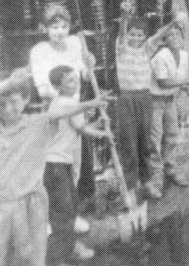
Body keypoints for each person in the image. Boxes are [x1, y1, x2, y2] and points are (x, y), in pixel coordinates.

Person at [0, 68, 108, 266]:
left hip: (32, 198)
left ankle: (59, 254)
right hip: (6, 203)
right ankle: (59, 255)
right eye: (1, 104)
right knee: (10, 251)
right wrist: (9, 83)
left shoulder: (35, 122)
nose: (7, 109)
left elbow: (61, 114)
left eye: (13, 102)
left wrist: (89, 105)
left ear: (26, 100)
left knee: (36, 245)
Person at [29, 4, 96, 225]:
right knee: (56, 167)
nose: (59, 31)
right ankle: (53, 217)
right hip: (56, 113)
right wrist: (64, 102)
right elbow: (42, 88)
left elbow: (84, 77)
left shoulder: (76, 43)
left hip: (74, 109)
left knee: (75, 164)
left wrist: (89, 65)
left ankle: (71, 214)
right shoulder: (39, 50)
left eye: (64, 26)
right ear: (45, 28)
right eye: (54, 27)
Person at [45, 65, 111, 264]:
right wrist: (102, 131)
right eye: (70, 81)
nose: (76, 84)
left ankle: (70, 247)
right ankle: (56, 257)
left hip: (62, 164)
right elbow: (82, 126)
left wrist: (99, 124)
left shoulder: (72, 103)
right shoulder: (62, 103)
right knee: (63, 212)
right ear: (58, 87)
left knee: (70, 207)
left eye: (76, 79)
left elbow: (80, 127)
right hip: (54, 165)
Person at [115, 7, 181, 192]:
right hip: (127, 100)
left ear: (144, 37)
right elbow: (121, 34)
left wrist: (173, 23)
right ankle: (129, 186)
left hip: (145, 98)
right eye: (132, 34)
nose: (135, 38)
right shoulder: (121, 49)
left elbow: (159, 34)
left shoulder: (147, 49)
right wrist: (124, 18)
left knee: (146, 141)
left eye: (139, 35)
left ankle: (147, 182)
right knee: (128, 142)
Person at [145, 24, 189, 200]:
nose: (174, 37)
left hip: (170, 101)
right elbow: (164, 82)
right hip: (155, 102)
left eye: (177, 34)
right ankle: (156, 180)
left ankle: (170, 170)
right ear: (164, 40)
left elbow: (178, 80)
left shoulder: (184, 55)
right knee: (155, 141)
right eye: (170, 35)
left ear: (182, 38)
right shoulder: (160, 57)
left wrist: (187, 87)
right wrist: (185, 81)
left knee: (172, 136)